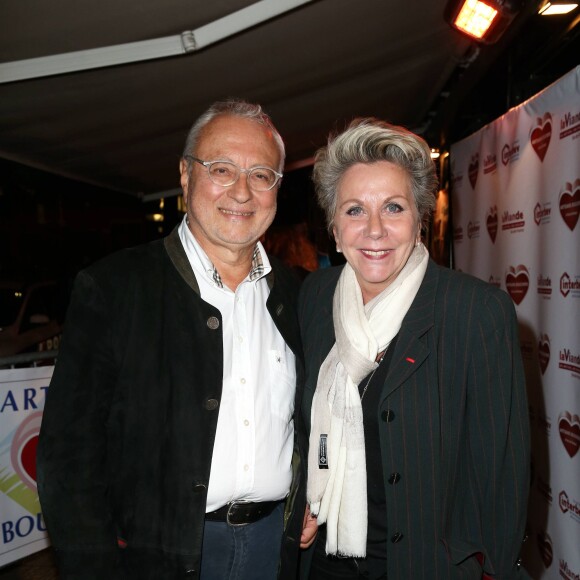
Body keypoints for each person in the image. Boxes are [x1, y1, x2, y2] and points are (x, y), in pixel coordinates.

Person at [37, 99, 306, 580]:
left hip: (273, 548)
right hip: (154, 558)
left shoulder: (297, 293)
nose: (242, 191)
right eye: (221, 169)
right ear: (185, 175)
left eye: (262, 174)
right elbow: (68, 460)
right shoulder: (115, 289)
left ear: (277, 189)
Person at [297, 118, 530, 579]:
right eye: (355, 210)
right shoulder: (315, 297)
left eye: (394, 207)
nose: (375, 229)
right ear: (334, 226)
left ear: (420, 219)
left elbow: (502, 479)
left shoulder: (475, 312)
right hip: (325, 564)